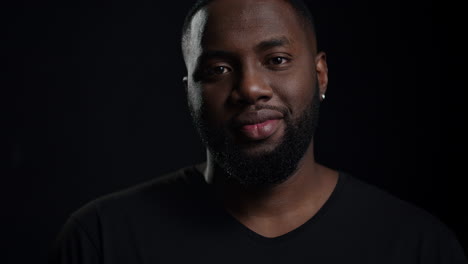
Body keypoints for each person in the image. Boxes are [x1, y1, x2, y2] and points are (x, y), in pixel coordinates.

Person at [50, 0, 467, 263]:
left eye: (278, 59)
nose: (250, 88)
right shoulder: (103, 241)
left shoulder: (418, 246)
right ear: (190, 93)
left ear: (320, 75)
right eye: (218, 70)